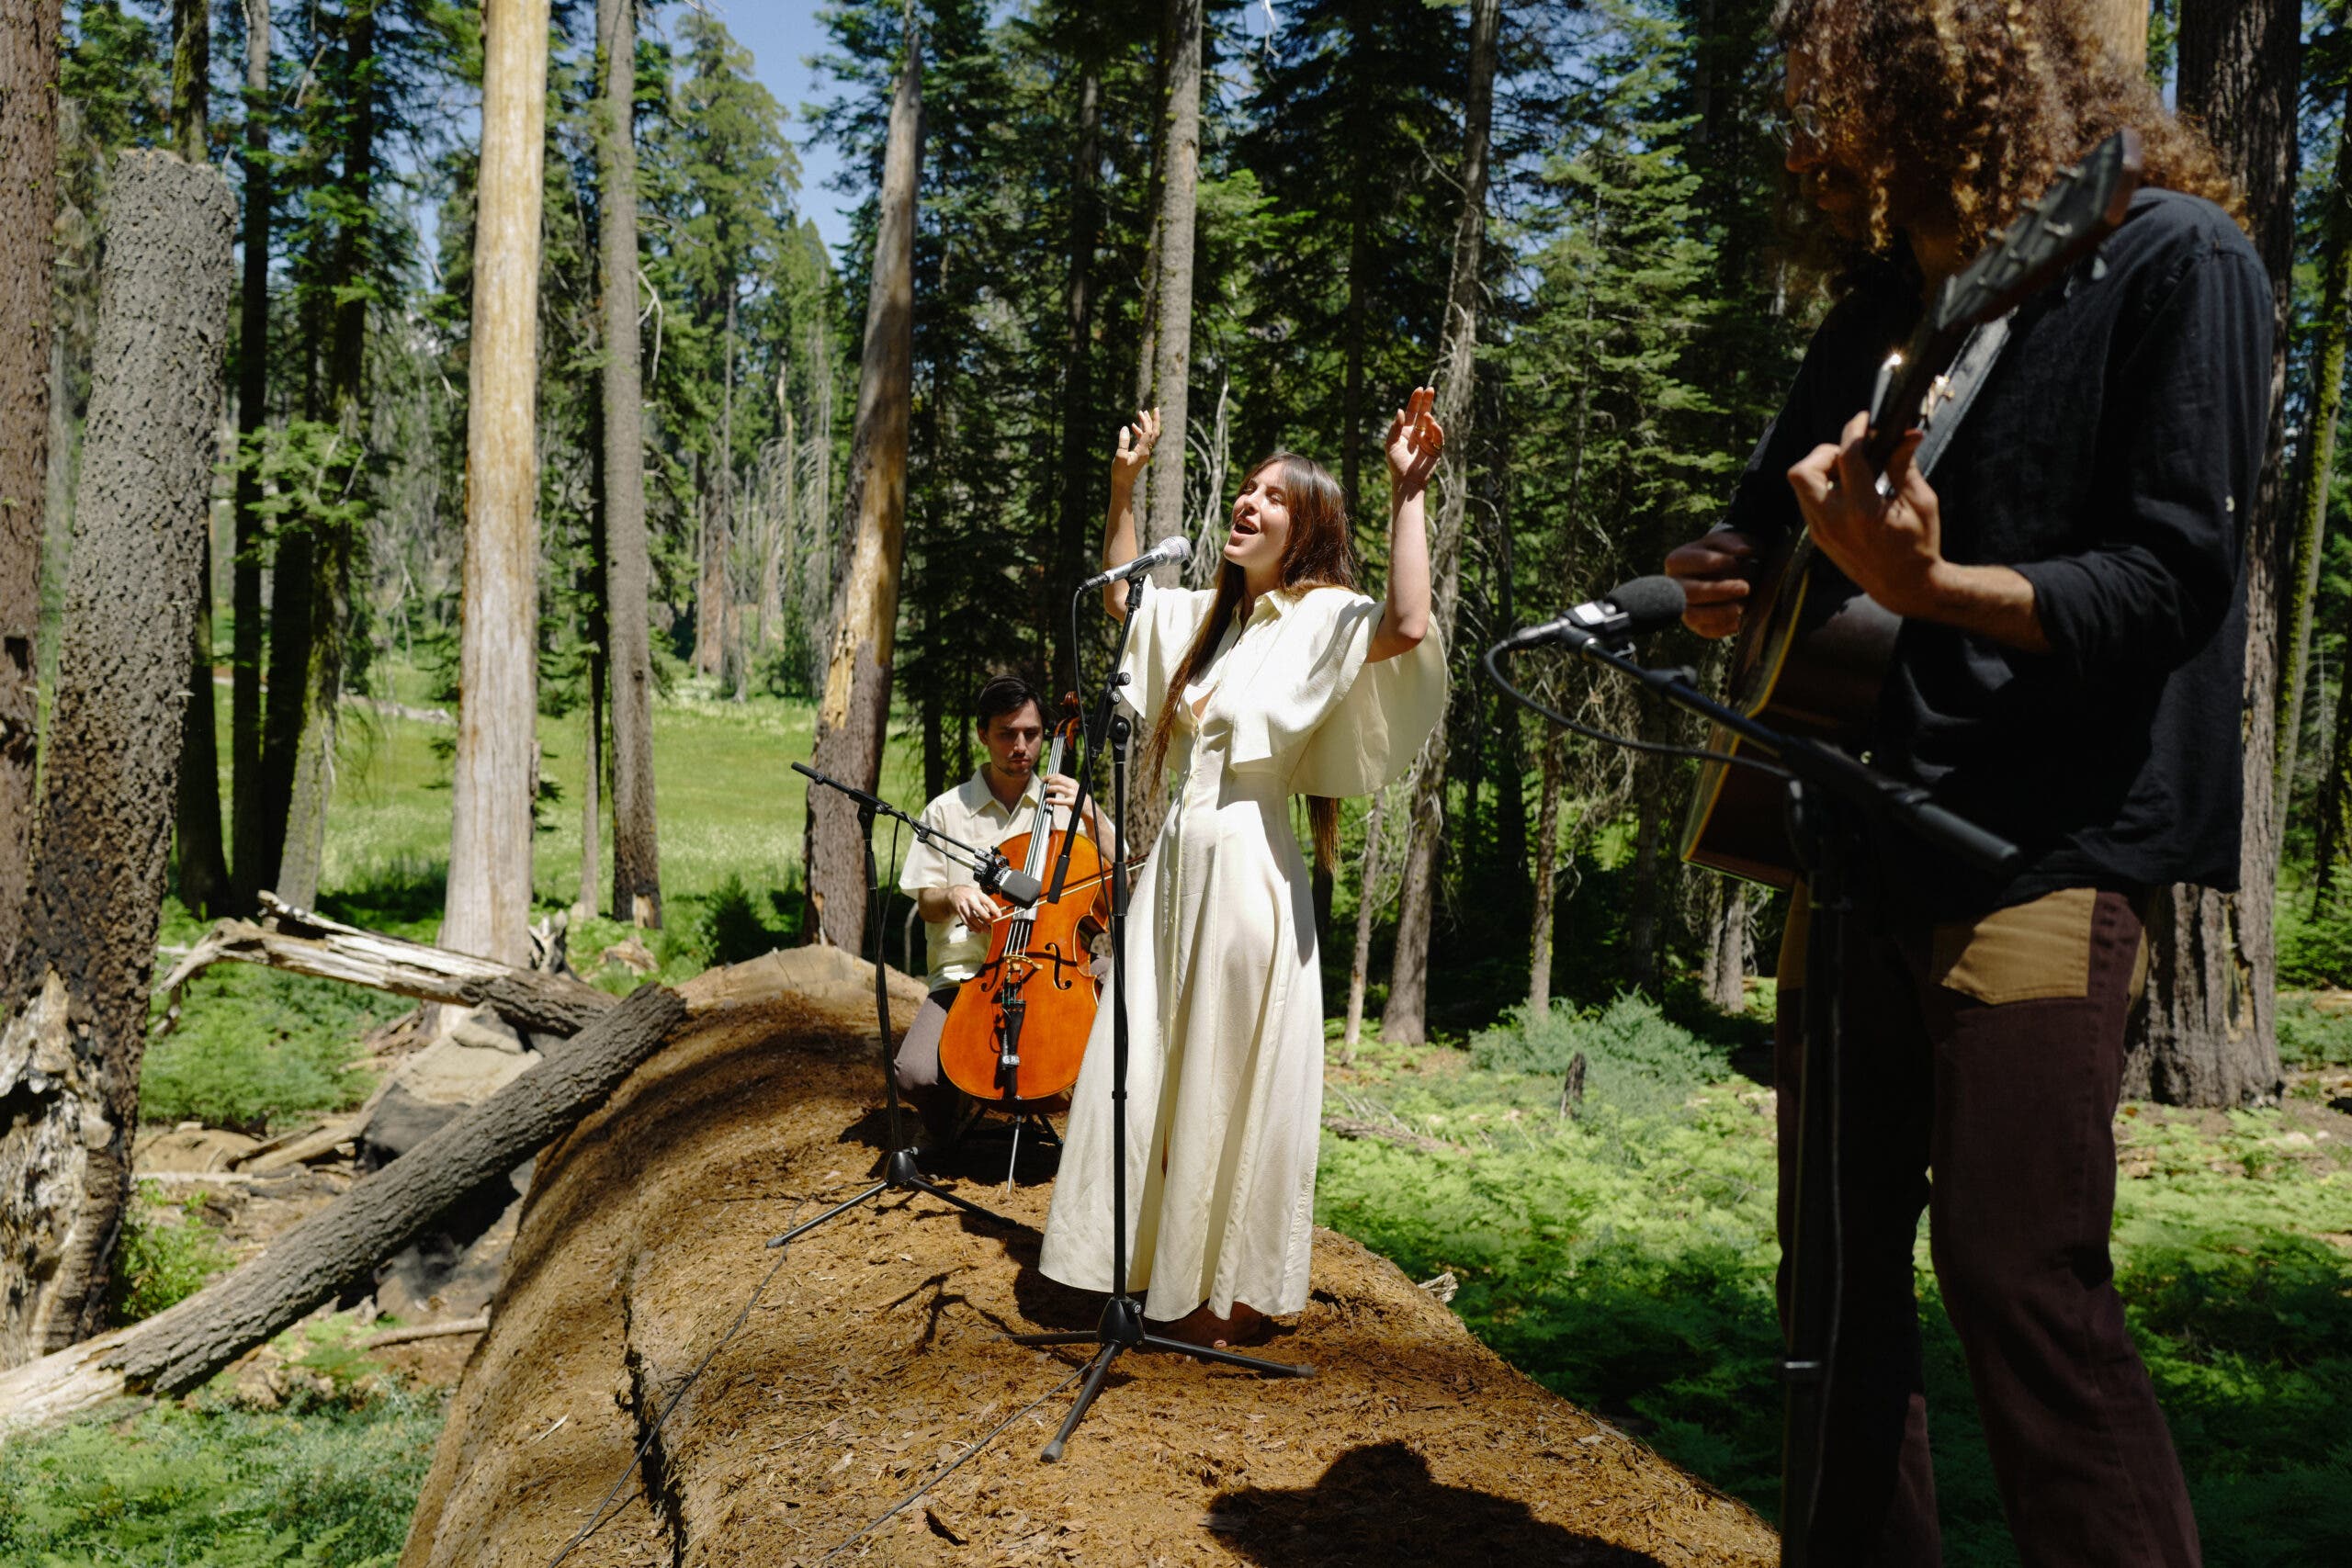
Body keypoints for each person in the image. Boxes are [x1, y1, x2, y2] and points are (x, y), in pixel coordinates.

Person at [1664, 4, 2266, 1563]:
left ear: (1945, 75)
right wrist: (1737, 571)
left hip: (2042, 846)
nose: (1806, 114)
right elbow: (1784, 534)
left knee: (2021, 1279)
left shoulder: (2173, 260)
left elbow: (2172, 582)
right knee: (1833, 1302)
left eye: (1833, 73)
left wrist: (1941, 587)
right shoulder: (1879, 308)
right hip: (1850, 843)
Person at [1037, 391, 1447, 1348]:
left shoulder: (1322, 616)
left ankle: (1223, 1288)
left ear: (1306, 531)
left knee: (1224, 1068)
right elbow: (1119, 596)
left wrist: (1406, 496)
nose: (1247, 504)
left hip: (1247, 876)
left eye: (1272, 498)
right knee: (1154, 1060)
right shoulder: (1216, 619)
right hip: (1178, 866)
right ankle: (1144, 1266)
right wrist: (1122, 487)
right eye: (1246, 490)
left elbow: (1411, 624)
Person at [895, 673, 1114, 1141]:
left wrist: (1093, 817)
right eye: (1006, 734)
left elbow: (1125, 884)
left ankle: (1101, 1142)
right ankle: (945, 1125)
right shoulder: (945, 812)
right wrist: (953, 896)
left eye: (1031, 735)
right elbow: (927, 904)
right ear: (982, 734)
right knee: (915, 1075)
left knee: (1126, 987)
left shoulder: (1068, 809)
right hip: (970, 976)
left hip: (1055, 968)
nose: (1021, 746)